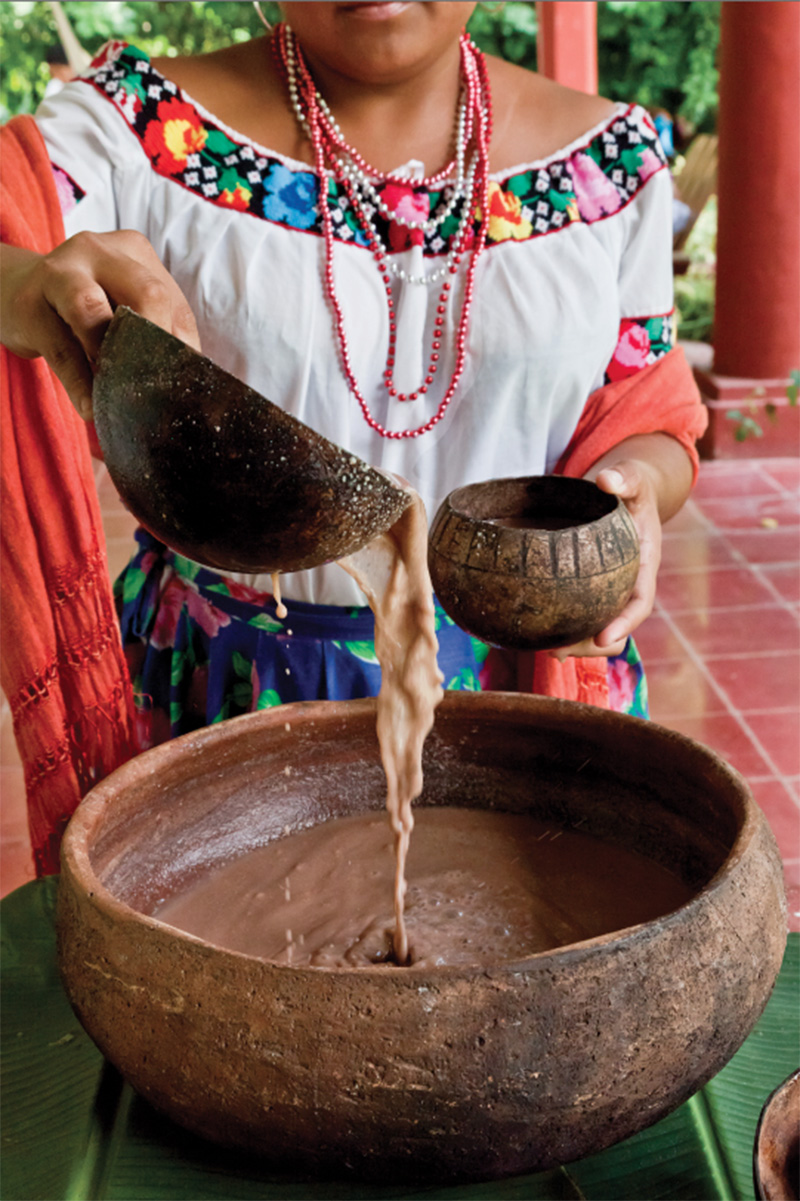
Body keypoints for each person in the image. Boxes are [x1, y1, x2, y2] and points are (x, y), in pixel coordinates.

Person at [0, 2, 707, 867]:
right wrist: (27, 282)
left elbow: (649, 405)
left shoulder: (614, 164)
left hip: (518, 694)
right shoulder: (137, 128)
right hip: (224, 687)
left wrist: (632, 487)